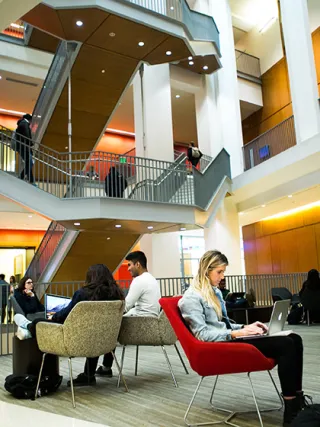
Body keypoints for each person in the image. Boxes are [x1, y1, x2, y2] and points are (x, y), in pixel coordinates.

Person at [178, 250, 308, 427]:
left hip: (230, 338)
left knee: (295, 338)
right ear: (206, 270)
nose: (222, 277)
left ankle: (298, 401)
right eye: (219, 272)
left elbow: (225, 324)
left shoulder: (213, 292)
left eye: (223, 272)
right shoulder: (191, 298)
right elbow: (202, 335)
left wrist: (246, 327)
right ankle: (291, 410)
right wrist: (235, 334)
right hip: (221, 345)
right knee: (285, 344)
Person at [14, 264, 124, 387]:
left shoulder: (83, 294)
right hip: (105, 341)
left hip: (76, 340)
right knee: (95, 330)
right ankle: (88, 375)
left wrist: (54, 317)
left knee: (38, 322)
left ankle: (27, 327)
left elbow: (65, 315)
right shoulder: (117, 295)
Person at [124, 251, 161, 317]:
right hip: (152, 319)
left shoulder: (139, 280)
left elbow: (126, 306)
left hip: (140, 320)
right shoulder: (152, 279)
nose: (128, 269)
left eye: (129, 265)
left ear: (138, 264)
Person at [15, 113, 35, 184]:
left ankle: (31, 179)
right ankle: (22, 177)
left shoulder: (22, 123)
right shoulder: (24, 124)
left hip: (23, 146)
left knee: (29, 163)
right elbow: (26, 135)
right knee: (29, 163)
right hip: (24, 147)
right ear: (29, 119)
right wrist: (30, 143)